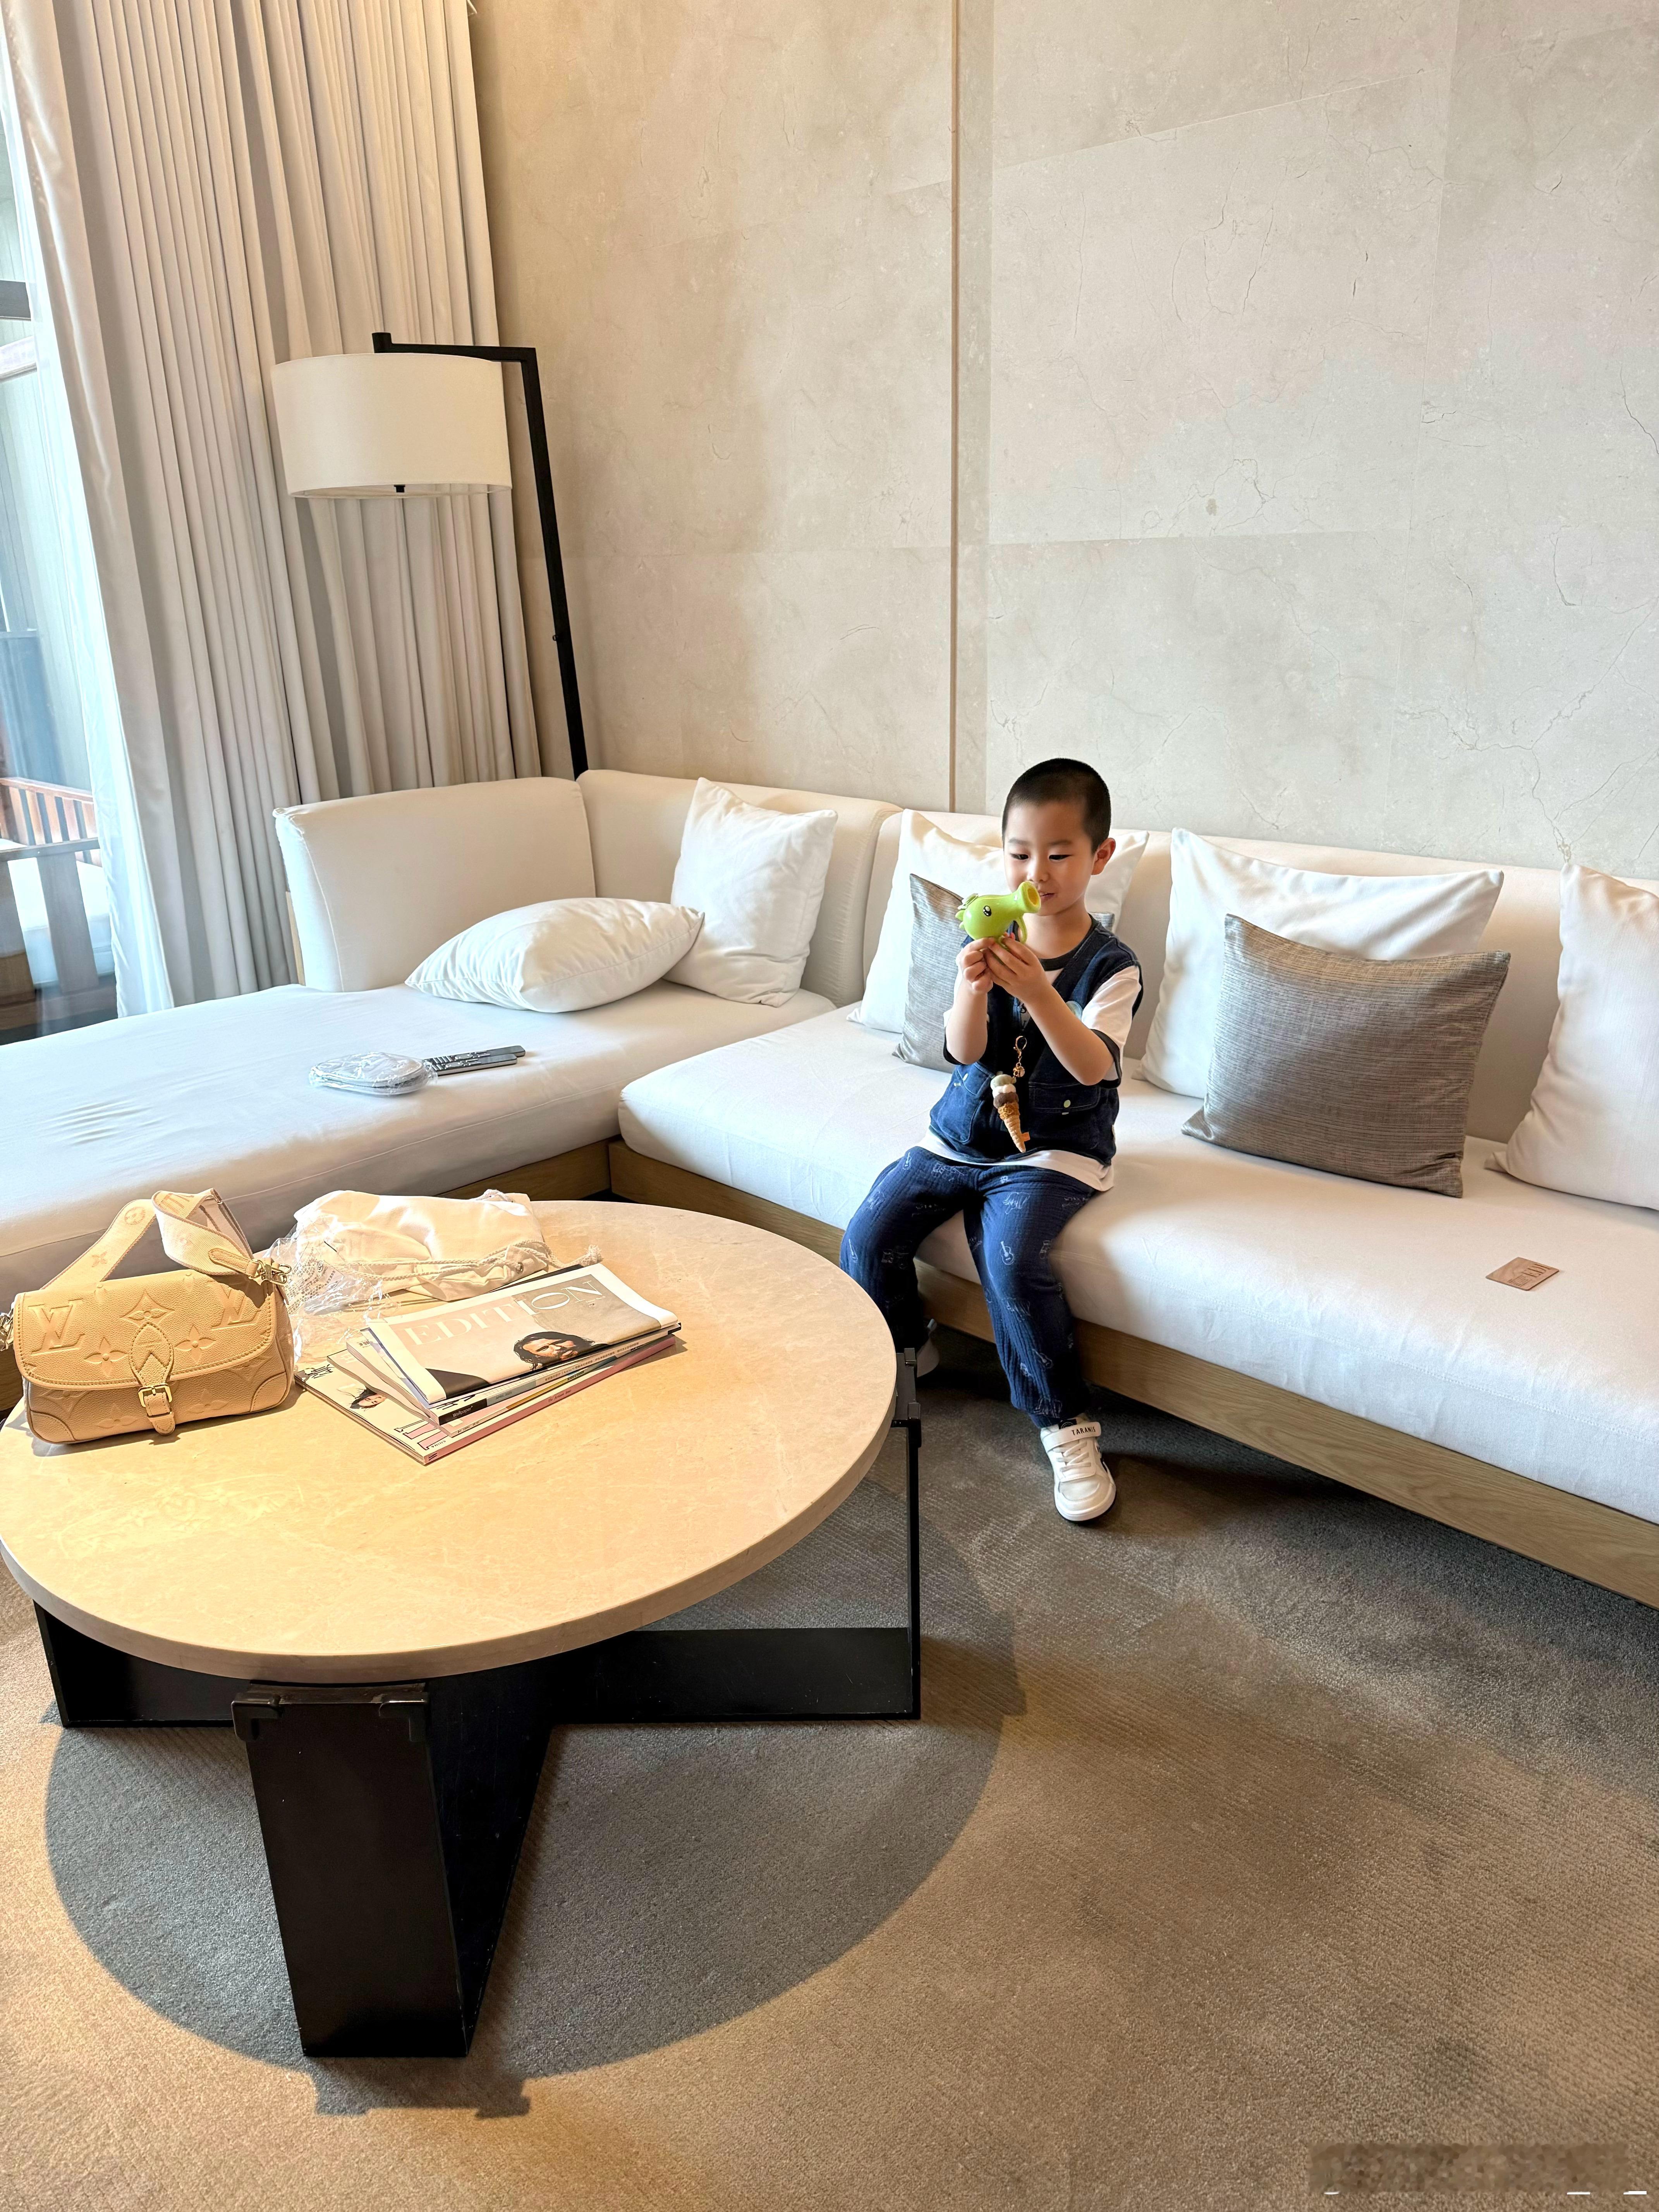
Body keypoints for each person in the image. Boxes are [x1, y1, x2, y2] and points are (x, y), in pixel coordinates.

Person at [840, 758, 1141, 1522]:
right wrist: (971, 989)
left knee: (1010, 1259)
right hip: (961, 1136)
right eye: (1020, 853)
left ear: (1100, 857)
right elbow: (964, 1050)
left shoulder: (1113, 967)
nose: (1037, 873)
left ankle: (1065, 1424)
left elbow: (1095, 1066)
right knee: (868, 1232)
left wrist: (1038, 990)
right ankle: (909, 1345)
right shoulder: (988, 932)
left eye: (1060, 854)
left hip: (1052, 1150)